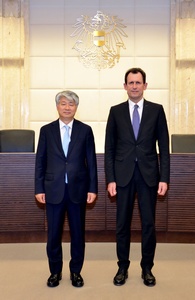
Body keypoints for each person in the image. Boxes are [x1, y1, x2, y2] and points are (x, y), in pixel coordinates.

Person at [105, 67, 170, 287]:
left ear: (145, 85)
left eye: (138, 82)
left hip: (149, 176)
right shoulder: (115, 111)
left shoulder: (157, 110)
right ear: (125, 86)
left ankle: (147, 268)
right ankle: (122, 267)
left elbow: (164, 147)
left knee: (149, 224)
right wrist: (110, 179)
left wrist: (164, 178)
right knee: (122, 224)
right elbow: (110, 148)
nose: (134, 86)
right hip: (122, 177)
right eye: (130, 83)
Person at [35, 90, 98, 288]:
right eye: (63, 103)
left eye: (71, 104)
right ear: (57, 106)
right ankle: (55, 272)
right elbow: (40, 161)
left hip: (78, 190)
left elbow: (92, 162)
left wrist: (93, 188)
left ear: (76, 107)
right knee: (53, 234)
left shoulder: (85, 130)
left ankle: (76, 272)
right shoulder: (46, 130)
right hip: (53, 190)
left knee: (78, 234)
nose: (67, 107)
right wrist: (38, 188)